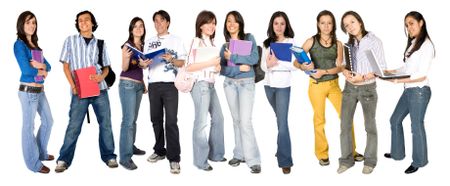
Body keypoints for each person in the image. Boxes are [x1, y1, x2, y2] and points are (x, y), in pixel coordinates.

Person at [295, 10, 363, 166]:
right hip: (316, 86)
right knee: (319, 120)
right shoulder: (310, 41)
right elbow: (296, 62)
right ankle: (322, 154)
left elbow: (340, 67)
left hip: (334, 85)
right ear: (318, 24)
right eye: (322, 22)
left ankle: (351, 151)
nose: (326, 26)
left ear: (333, 25)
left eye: (329, 23)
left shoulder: (338, 44)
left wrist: (324, 72)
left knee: (346, 117)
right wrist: (303, 67)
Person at [55, 10, 117, 173]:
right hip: (79, 90)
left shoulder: (100, 43)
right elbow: (66, 66)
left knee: (106, 124)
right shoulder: (70, 41)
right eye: (80, 20)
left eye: (87, 20)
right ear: (78, 24)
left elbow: (106, 67)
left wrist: (100, 77)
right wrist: (73, 85)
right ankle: (63, 159)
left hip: (100, 90)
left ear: (92, 23)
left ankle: (110, 156)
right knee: (74, 126)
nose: (83, 23)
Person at [383, 11, 434, 174]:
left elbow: (421, 75)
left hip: (419, 91)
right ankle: (397, 153)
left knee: (416, 126)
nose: (408, 27)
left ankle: (419, 161)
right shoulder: (413, 44)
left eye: (411, 23)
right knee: (395, 120)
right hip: (409, 91)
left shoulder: (427, 45)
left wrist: (399, 80)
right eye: (406, 24)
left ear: (421, 23)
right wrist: (390, 72)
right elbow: (406, 69)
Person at [337, 11, 386, 174]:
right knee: (344, 125)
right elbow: (344, 65)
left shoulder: (374, 41)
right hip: (349, 87)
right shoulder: (349, 45)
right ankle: (346, 160)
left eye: (352, 22)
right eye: (346, 25)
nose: (350, 27)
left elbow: (381, 70)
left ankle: (370, 161)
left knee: (369, 126)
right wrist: (345, 72)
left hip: (367, 88)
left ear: (359, 21)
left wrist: (363, 77)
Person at [142, 10, 186, 174]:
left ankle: (174, 158)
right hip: (153, 84)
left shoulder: (176, 40)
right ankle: (160, 150)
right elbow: (144, 63)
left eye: (161, 21)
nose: (158, 24)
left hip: (170, 85)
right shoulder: (149, 41)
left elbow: (182, 62)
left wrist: (172, 60)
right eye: (155, 21)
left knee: (171, 122)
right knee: (155, 119)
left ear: (167, 22)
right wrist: (143, 63)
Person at [220, 10, 261, 174]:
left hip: (246, 84)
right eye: (228, 21)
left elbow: (254, 59)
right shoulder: (224, 46)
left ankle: (253, 160)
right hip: (229, 84)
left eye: (235, 21)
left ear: (240, 23)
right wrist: (238, 68)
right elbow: (221, 69)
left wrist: (235, 58)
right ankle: (239, 154)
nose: (231, 24)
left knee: (245, 121)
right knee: (236, 120)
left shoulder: (249, 38)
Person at [14, 11, 53, 174]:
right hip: (28, 91)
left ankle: (41, 153)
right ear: (22, 25)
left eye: (34, 23)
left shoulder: (35, 46)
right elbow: (26, 69)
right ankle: (33, 164)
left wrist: (40, 66)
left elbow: (48, 66)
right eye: (28, 22)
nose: (32, 26)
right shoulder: (19, 45)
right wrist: (39, 68)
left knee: (48, 121)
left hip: (40, 90)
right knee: (28, 127)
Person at [186, 10, 225, 171]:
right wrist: (210, 62)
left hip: (211, 84)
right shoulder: (196, 41)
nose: (212, 26)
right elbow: (190, 67)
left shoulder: (214, 45)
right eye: (208, 22)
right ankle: (200, 161)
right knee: (201, 122)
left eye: (214, 23)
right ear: (201, 25)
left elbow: (214, 69)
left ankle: (215, 154)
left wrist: (217, 67)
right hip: (200, 85)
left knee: (219, 118)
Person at [260, 11, 298, 174]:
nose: (279, 26)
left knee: (282, 122)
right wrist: (269, 65)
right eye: (276, 23)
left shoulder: (291, 42)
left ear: (286, 25)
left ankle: (285, 160)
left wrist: (276, 63)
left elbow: (295, 65)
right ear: (272, 25)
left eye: (282, 23)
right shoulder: (266, 43)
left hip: (283, 86)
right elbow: (262, 67)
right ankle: (281, 148)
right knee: (279, 119)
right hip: (268, 86)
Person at [118, 17, 147, 170]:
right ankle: (124, 157)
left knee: (133, 120)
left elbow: (141, 68)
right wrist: (126, 58)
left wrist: (143, 82)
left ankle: (130, 146)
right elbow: (124, 67)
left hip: (138, 86)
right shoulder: (127, 45)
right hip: (127, 85)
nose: (138, 28)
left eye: (141, 26)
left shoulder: (143, 46)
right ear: (131, 29)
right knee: (127, 121)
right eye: (135, 26)